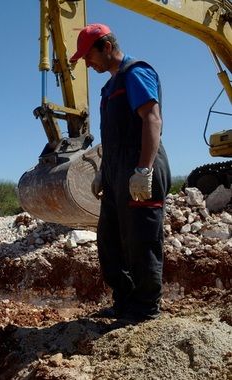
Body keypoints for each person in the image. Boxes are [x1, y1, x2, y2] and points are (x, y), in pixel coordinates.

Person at [70, 24, 171, 322]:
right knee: (110, 243)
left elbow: (152, 120)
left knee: (142, 240)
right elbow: (113, 135)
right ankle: (125, 303)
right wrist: (104, 170)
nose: (88, 63)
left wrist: (143, 169)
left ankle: (145, 309)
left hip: (141, 166)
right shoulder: (109, 87)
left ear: (107, 46)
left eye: (89, 56)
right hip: (116, 171)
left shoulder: (135, 73)